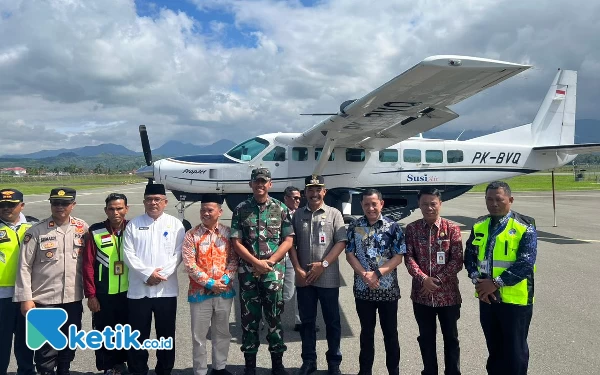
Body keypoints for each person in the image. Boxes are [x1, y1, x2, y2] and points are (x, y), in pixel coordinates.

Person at [464, 181, 537, 375]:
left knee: (515, 352)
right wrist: (477, 282)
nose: (494, 203)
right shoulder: (479, 225)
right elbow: (470, 256)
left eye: (499, 199)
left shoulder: (524, 226)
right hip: (487, 299)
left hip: (515, 301)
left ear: (510, 200)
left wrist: (495, 283)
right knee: (494, 349)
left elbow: (525, 263)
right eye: (489, 199)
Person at [14, 187, 88, 375]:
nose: (60, 207)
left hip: (73, 298)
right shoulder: (36, 231)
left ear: (73, 205)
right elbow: (24, 266)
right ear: (51, 204)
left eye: (65, 203)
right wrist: (25, 298)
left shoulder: (82, 228)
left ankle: (64, 370)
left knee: (70, 342)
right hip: (44, 300)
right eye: (56, 203)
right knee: (45, 347)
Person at [230, 168, 294, 375]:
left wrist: (270, 262)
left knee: (274, 317)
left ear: (270, 184)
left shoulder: (281, 208)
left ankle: (277, 363)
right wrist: (256, 262)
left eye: (263, 182)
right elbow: (236, 242)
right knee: (249, 320)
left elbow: (288, 240)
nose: (260, 185)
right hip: (248, 273)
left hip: (273, 273)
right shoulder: (240, 209)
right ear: (250, 184)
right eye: (256, 182)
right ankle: (250, 365)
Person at [122, 184, 184, 375]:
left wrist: (159, 275)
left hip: (166, 289)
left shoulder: (175, 224)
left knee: (166, 334)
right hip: (139, 289)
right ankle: (138, 370)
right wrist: (147, 274)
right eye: (149, 199)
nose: (153, 203)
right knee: (138, 334)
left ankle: (164, 370)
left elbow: (179, 254)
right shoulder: (133, 224)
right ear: (144, 202)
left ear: (165, 202)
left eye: (157, 199)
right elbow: (128, 254)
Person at [289, 175, 346, 375]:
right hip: (304, 277)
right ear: (305, 193)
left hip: (327, 277)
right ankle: (309, 361)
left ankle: (333, 362)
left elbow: (341, 242)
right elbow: (291, 244)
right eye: (310, 190)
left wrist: (323, 264)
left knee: (332, 322)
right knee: (307, 322)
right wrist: (297, 268)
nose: (314, 194)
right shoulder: (297, 215)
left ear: (324, 192)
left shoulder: (334, 214)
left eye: (318, 189)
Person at [345, 188, 405, 375]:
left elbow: (398, 257)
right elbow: (349, 254)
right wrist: (365, 275)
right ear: (361, 205)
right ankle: (365, 371)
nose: (370, 208)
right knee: (366, 334)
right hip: (363, 290)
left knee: (390, 334)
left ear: (381, 204)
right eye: (366, 204)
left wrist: (376, 274)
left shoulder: (393, 227)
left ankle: (393, 371)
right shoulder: (355, 226)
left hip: (387, 291)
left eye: (374, 204)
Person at [404, 187, 463, 375]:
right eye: (424, 204)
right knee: (426, 338)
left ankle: (452, 372)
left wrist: (436, 280)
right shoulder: (412, 229)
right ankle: (430, 371)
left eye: (433, 204)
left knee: (451, 338)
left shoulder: (452, 229)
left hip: (448, 296)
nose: (429, 208)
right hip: (421, 296)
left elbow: (457, 260)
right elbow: (409, 258)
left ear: (440, 204)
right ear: (419, 205)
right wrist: (423, 279)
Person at [182, 194, 239, 375]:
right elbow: (190, 264)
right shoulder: (191, 235)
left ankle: (219, 367)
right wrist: (210, 283)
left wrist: (224, 281)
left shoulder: (228, 233)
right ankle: (200, 370)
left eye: (209, 210)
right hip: (200, 293)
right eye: (202, 210)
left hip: (224, 291)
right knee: (199, 336)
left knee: (222, 333)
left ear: (219, 212)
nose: (205, 213)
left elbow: (234, 259)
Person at [82, 193, 130, 375]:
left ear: (126, 209)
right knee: (104, 332)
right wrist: (91, 295)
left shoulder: (133, 228)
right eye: (111, 208)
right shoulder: (96, 231)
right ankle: (106, 366)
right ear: (106, 210)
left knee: (125, 329)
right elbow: (87, 266)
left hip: (128, 292)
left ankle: (121, 363)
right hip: (104, 294)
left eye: (119, 208)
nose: (116, 212)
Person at [0, 189, 35, 375]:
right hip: (2, 296)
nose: (6, 208)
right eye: (2, 205)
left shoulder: (34, 225)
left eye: (11, 205)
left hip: (27, 294)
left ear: (21, 205)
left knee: (26, 342)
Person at [281, 186, 303, 331]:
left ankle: (300, 321)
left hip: (301, 256)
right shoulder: (279, 213)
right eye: (294, 198)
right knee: (287, 293)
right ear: (286, 198)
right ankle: (270, 315)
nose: (297, 201)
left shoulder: (301, 214)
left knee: (302, 290)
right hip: (285, 257)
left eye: (299, 198)